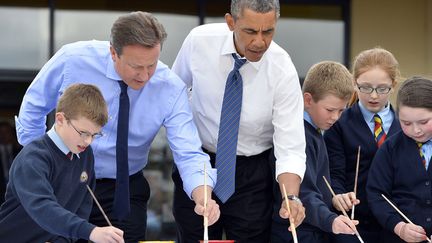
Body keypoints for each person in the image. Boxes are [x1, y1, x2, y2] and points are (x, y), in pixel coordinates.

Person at [14, 11, 219, 242]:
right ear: (113, 52)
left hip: (124, 192)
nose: (144, 76)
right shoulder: (73, 59)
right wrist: (42, 163)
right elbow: (33, 108)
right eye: (136, 66)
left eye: (151, 65)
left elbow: (189, 153)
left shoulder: (170, 88)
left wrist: (203, 197)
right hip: (66, 179)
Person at [172, 0, 306, 242]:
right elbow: (174, 94)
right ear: (231, 22)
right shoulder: (198, 41)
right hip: (199, 163)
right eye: (251, 31)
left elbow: (290, 146)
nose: (260, 41)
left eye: (268, 31)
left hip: (251, 173)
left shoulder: (282, 68)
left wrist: (291, 197)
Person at [0, 84, 124, 242]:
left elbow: (82, 207)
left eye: (95, 135)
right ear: (60, 119)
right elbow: (42, 206)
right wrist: (90, 231)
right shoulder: (33, 158)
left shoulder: (85, 154)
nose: (88, 141)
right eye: (83, 133)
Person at [271, 61, 358, 242]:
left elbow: (318, 184)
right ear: (308, 100)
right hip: (295, 232)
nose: (335, 117)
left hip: (310, 230)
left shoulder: (316, 131)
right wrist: (331, 220)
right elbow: (303, 192)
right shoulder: (298, 135)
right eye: (330, 110)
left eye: (341, 111)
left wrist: (334, 198)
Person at [323, 47, 402, 242]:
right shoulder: (339, 123)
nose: (373, 96)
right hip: (354, 222)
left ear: (394, 84)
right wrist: (338, 195)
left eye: (382, 89)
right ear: (354, 83)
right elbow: (335, 173)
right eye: (365, 87)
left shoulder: (407, 125)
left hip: (397, 224)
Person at [367, 76, 432, 243]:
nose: (416, 130)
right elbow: (376, 194)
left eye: (424, 122)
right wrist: (399, 226)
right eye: (406, 123)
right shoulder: (390, 149)